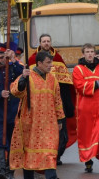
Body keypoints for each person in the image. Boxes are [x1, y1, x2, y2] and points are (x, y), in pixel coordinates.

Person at [10, 51, 65, 179]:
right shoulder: (28, 76)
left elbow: (57, 100)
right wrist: (23, 79)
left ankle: (52, 177)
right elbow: (15, 91)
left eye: (51, 62)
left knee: (50, 152)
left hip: (50, 123)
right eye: (48, 62)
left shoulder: (52, 79)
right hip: (31, 123)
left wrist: (60, 119)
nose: (51, 65)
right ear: (39, 63)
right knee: (29, 155)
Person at [27, 34, 75, 165]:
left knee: (61, 131)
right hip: (39, 104)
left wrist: (68, 104)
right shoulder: (32, 59)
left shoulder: (58, 58)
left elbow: (65, 84)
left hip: (58, 101)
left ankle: (56, 155)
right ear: (40, 43)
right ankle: (43, 156)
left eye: (48, 41)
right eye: (44, 41)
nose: (46, 43)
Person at [0, 43, 28, 179]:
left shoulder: (14, 69)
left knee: (12, 142)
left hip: (13, 112)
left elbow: (24, 75)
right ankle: (1, 170)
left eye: (2, 57)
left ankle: (10, 170)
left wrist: (13, 59)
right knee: (0, 141)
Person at [72, 43, 99, 174]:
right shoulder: (78, 69)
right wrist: (98, 82)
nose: (90, 54)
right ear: (83, 54)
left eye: (92, 51)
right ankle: (88, 161)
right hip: (84, 109)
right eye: (87, 52)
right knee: (86, 137)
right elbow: (80, 87)